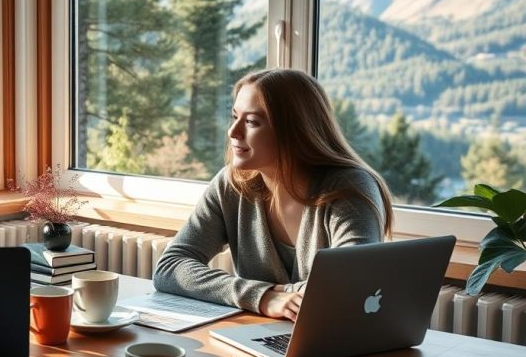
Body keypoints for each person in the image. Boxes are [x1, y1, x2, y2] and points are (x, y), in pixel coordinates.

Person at [153, 68, 394, 321]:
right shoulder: (231, 184)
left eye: (251, 122)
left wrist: (284, 296)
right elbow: (170, 267)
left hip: (330, 341)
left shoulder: (349, 189)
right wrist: (263, 296)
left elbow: (348, 288)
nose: (233, 132)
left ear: (295, 130)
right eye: (235, 117)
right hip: (259, 335)